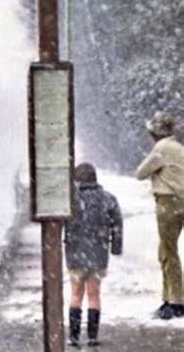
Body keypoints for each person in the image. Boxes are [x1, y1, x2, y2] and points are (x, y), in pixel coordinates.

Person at [64, 163, 123, 347]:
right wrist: (116, 247)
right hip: (98, 252)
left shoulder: (70, 199)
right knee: (94, 294)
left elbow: (60, 222)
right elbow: (117, 222)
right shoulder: (107, 198)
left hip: (75, 252)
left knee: (75, 293)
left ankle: (73, 337)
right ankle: (92, 336)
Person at [135, 111, 184, 320]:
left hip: (168, 202)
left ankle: (174, 301)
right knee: (166, 250)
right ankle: (170, 297)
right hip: (180, 199)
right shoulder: (179, 148)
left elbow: (140, 173)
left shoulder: (161, 149)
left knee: (168, 252)